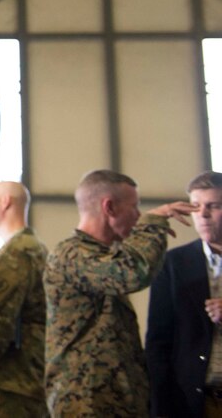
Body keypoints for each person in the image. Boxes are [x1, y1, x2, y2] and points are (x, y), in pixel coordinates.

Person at [44, 169, 193, 417]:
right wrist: (152, 224)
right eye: (135, 207)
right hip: (86, 402)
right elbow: (134, 272)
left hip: (115, 398)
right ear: (109, 207)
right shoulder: (71, 254)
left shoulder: (104, 255)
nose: (138, 216)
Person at [146, 171, 222, 417]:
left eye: (214, 206)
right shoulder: (173, 264)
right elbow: (158, 342)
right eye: (196, 206)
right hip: (194, 401)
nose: (203, 214)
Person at [0, 181, 48, 417]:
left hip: (8, 391)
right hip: (27, 385)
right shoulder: (35, 249)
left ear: (5, 202)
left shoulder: (16, 255)